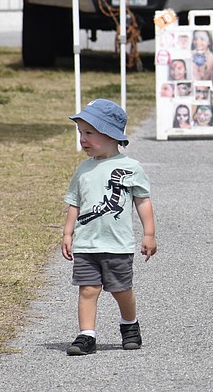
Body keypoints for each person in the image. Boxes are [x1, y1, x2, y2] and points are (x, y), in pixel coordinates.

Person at [61, 99, 157, 356]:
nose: (83, 138)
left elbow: (142, 201)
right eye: (81, 132)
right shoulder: (83, 169)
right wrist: (68, 233)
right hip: (86, 244)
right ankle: (86, 334)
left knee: (120, 290)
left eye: (90, 132)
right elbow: (74, 202)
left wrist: (149, 234)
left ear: (111, 134)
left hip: (117, 244)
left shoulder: (130, 168)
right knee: (88, 289)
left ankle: (129, 324)